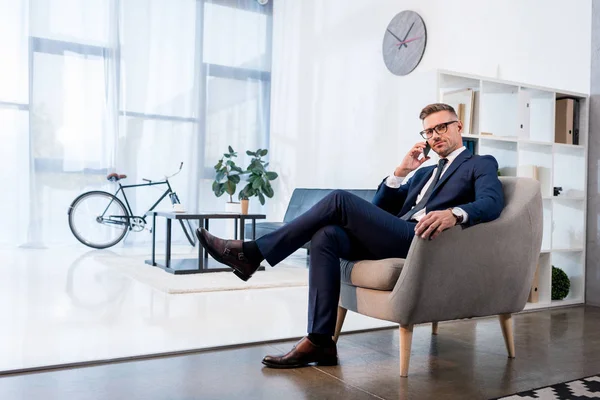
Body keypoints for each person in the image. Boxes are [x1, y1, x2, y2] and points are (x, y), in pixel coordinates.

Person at [196, 103, 504, 369]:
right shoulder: (423, 172)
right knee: (327, 235)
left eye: (441, 128)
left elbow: (491, 203)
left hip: (421, 239)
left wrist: (454, 214)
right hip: (397, 232)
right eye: (428, 132)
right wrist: (400, 172)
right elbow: (378, 209)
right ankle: (320, 341)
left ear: (458, 126)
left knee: (339, 200)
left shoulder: (479, 163)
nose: (435, 136)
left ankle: (251, 254)